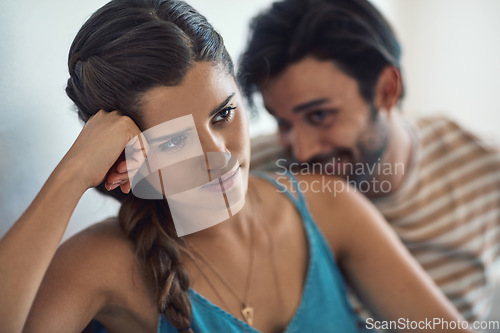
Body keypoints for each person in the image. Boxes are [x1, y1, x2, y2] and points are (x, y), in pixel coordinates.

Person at [0, 0, 470, 332]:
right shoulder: (99, 265)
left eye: (223, 114)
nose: (221, 156)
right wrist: (70, 176)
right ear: (126, 156)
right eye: (177, 139)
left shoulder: (327, 206)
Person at [238, 0, 500, 323]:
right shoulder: (254, 176)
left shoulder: (486, 169)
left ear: (387, 90)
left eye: (319, 115)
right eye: (283, 123)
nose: (301, 152)